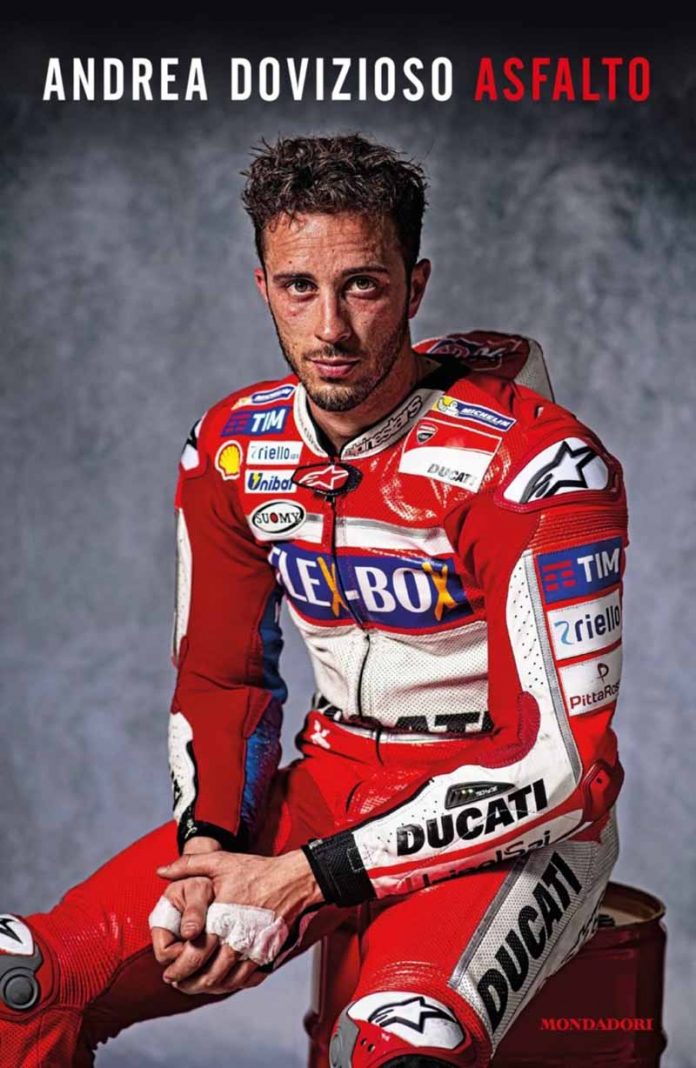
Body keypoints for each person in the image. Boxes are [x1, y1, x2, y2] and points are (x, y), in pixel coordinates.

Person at [0, 134, 627, 1067]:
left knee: (394, 1049)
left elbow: (564, 771)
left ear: (414, 288)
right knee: (22, 987)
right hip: (330, 787)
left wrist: (307, 877)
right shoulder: (232, 448)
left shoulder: (541, 468)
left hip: (513, 825)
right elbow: (224, 682)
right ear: (263, 287)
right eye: (299, 287)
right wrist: (209, 852)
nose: (330, 327)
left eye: (362, 286)